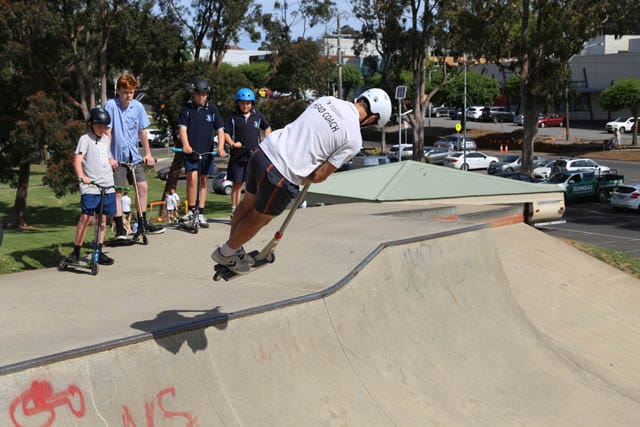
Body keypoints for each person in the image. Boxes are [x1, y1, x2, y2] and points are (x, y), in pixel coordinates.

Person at [211, 88, 392, 274]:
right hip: (282, 173)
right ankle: (226, 253)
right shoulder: (353, 139)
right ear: (373, 117)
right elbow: (319, 175)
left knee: (247, 202)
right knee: (259, 218)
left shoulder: (327, 100)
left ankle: (233, 249)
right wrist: (306, 176)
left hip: (263, 152)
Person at [104, 73, 165, 239]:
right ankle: (120, 229)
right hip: (117, 157)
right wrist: (109, 157)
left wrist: (148, 153)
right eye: (125, 92)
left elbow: (142, 131)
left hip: (133, 157)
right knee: (117, 192)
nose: (128, 96)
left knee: (142, 187)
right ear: (118, 91)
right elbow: (107, 132)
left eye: (131, 92)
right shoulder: (111, 106)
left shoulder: (137, 107)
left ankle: (142, 223)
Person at [62, 107, 118, 266]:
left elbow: (105, 157)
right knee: (86, 217)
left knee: (102, 220)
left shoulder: (106, 139)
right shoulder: (85, 139)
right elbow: (77, 160)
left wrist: (111, 162)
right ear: (91, 124)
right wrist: (81, 177)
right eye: (99, 126)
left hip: (107, 185)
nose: (103, 129)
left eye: (105, 126)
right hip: (91, 186)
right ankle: (76, 251)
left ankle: (98, 251)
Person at [178, 77, 226, 227]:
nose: (201, 97)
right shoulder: (187, 109)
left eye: (204, 95)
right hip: (191, 152)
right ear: (193, 94)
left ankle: (201, 212)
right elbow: (183, 129)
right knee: (192, 178)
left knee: (204, 180)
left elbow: (220, 130)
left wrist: (221, 147)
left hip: (206, 152)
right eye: (198, 94)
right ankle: (191, 210)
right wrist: (186, 145)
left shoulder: (212, 109)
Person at [225, 88, 272, 218]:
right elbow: (226, 133)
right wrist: (232, 143)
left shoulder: (257, 116)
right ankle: (234, 210)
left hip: (254, 155)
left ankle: (251, 209)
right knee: (237, 183)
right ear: (238, 103)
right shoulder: (233, 117)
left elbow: (267, 127)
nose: (245, 106)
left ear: (252, 103)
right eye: (242, 103)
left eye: (248, 103)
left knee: (253, 184)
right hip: (238, 155)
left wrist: (266, 141)